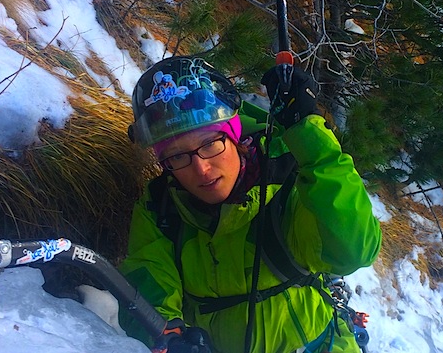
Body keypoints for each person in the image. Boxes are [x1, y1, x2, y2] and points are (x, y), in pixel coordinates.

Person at [119, 55, 382, 353]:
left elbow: (354, 250)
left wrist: (314, 142)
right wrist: (166, 331)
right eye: (178, 156)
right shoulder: (161, 208)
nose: (201, 170)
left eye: (210, 143)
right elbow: (148, 278)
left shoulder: (289, 181)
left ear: (234, 135)